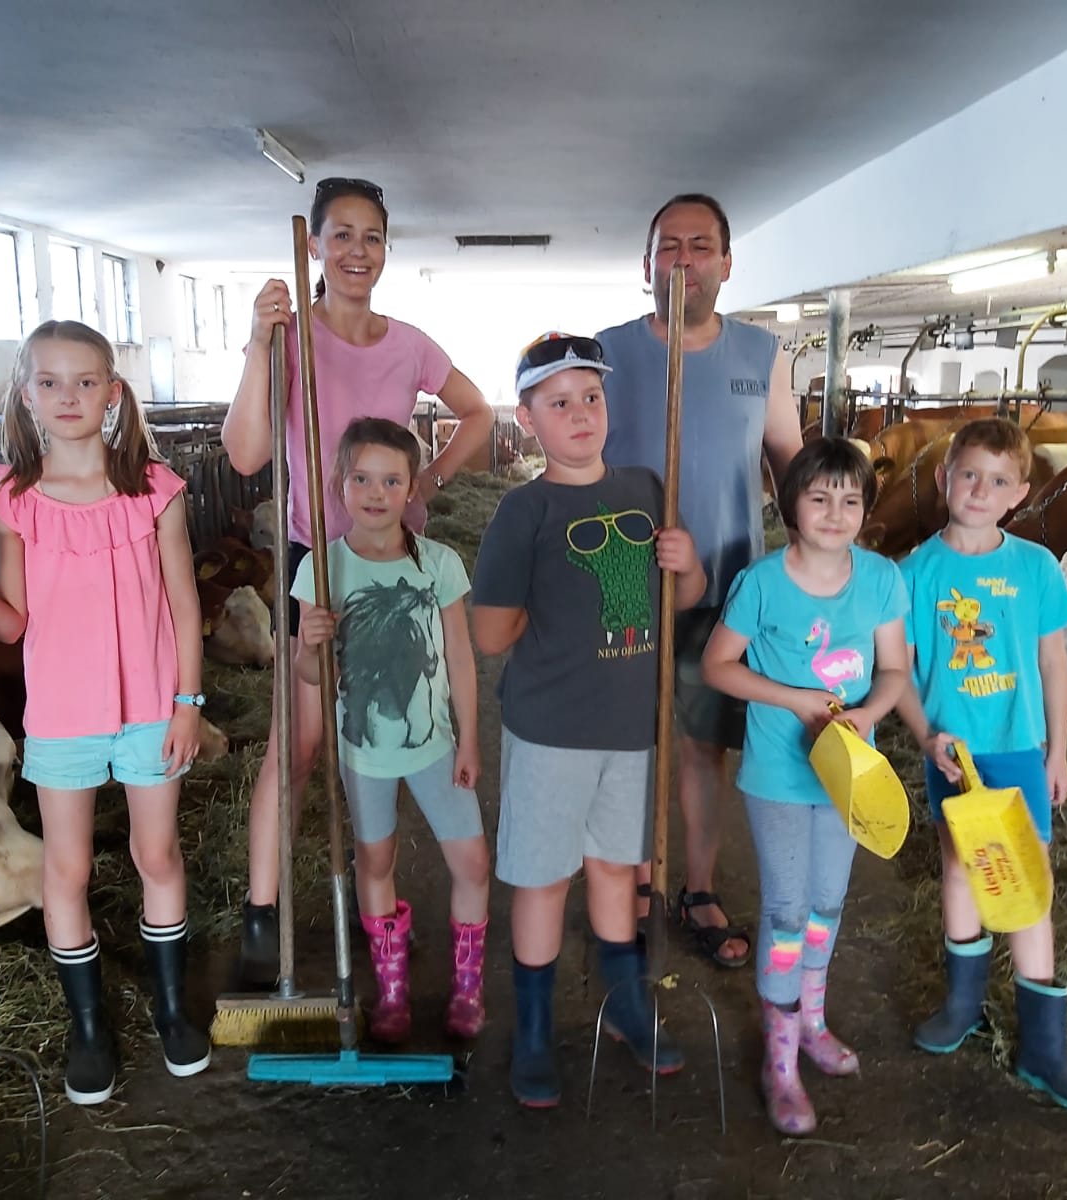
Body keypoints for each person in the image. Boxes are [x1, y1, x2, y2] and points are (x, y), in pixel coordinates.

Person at [221, 177, 491, 987]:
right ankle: (261, 913)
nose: (356, 251)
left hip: (396, 561)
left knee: (399, 711)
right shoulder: (288, 337)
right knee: (301, 741)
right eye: (340, 234)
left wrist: (429, 481)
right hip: (317, 556)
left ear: (386, 249)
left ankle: (378, 892)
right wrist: (259, 344)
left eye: (371, 236)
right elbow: (245, 453)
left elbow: (478, 411)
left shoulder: (409, 344)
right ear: (314, 245)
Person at [0, 320, 210, 1106]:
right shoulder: (13, 501)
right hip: (61, 714)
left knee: (158, 855)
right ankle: (88, 1030)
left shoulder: (154, 489)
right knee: (68, 868)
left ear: (112, 394)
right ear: (26, 394)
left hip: (152, 705)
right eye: (49, 382)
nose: (67, 396)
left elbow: (185, 605)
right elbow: (8, 623)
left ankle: (170, 1009)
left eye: (86, 382)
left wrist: (188, 703)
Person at [472, 333, 707, 1108]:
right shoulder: (524, 510)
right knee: (545, 879)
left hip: (634, 728)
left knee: (615, 868)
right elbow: (490, 634)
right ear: (527, 419)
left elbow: (681, 599)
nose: (580, 414)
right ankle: (535, 1029)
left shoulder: (646, 487)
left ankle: (627, 1007)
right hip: (551, 730)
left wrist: (686, 564)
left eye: (592, 398)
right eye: (559, 402)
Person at [600, 193, 804, 969]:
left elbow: (788, 463)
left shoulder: (762, 355)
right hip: (623, 583)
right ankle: (637, 882)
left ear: (726, 262)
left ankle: (698, 886)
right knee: (628, 745)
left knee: (700, 746)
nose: (683, 260)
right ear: (646, 262)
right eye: (669, 246)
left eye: (700, 246)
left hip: (728, 589)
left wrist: (821, 551)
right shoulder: (608, 352)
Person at [894, 418, 1067, 1112]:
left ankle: (1044, 1049)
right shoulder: (913, 573)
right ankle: (964, 1007)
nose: (979, 491)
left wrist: (1058, 752)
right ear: (943, 478)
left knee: (1026, 877)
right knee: (960, 865)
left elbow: (1054, 663)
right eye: (968, 475)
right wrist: (927, 737)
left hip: (1018, 747)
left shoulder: (1035, 567)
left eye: (997, 481)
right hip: (953, 752)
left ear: (1019, 495)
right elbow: (900, 672)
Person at [700, 438, 908, 1135]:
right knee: (787, 911)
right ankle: (780, 1058)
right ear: (791, 505)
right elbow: (718, 666)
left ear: (866, 510)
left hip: (850, 773)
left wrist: (867, 717)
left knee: (827, 902)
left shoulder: (881, 579)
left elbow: (894, 670)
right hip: (781, 775)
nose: (835, 512)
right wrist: (795, 700)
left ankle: (812, 1021)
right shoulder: (762, 583)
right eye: (820, 498)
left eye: (850, 500)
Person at [290, 418, 491, 1041]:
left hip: (435, 746)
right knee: (374, 859)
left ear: (412, 488)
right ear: (339, 485)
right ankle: (393, 991)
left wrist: (469, 737)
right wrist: (309, 643)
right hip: (363, 753)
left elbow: (459, 657)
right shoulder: (321, 570)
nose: (376, 493)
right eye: (362, 479)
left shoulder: (439, 564)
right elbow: (309, 673)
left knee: (472, 862)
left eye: (391, 480)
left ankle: (467, 989)